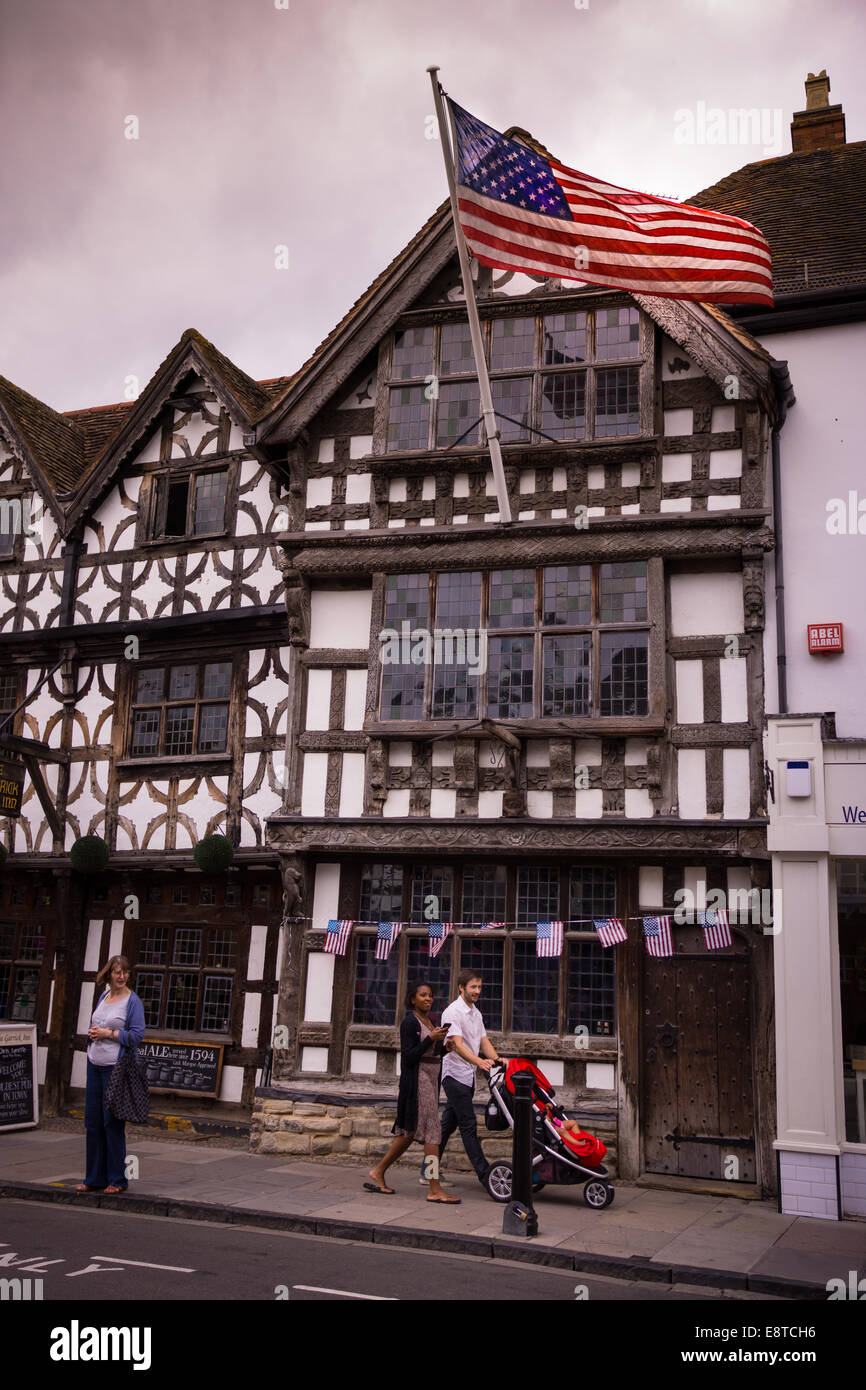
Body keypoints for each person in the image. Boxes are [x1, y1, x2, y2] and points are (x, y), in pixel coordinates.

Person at [365, 981, 461, 1203]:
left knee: (408, 1133)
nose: (428, 999)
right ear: (413, 1000)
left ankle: (378, 1171)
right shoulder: (410, 1022)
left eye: (430, 995)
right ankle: (434, 1188)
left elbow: (428, 1054)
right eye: (423, 995)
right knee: (432, 1133)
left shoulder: (429, 1021)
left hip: (430, 1078)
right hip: (418, 1082)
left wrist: (443, 1049)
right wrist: (431, 1038)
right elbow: (409, 1056)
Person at [76, 955, 146, 1194]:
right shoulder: (104, 996)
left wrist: (108, 1034)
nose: (121, 976)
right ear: (109, 974)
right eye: (117, 972)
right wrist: (93, 1034)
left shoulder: (132, 1002)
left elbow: (136, 1036)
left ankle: (117, 1179)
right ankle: (94, 1178)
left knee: (112, 1123)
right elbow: (96, 1023)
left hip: (116, 1069)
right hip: (94, 1065)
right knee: (92, 1122)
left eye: (125, 972)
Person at [438, 969, 502, 1191]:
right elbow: (455, 1044)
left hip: (468, 1076)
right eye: (473, 987)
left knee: (446, 1126)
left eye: (479, 987)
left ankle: (427, 1172)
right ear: (461, 988)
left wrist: (497, 1059)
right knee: (468, 1125)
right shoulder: (452, 1012)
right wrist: (479, 1062)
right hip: (454, 1075)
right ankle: (485, 1175)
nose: (477, 991)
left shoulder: (476, 1013)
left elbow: (483, 1040)